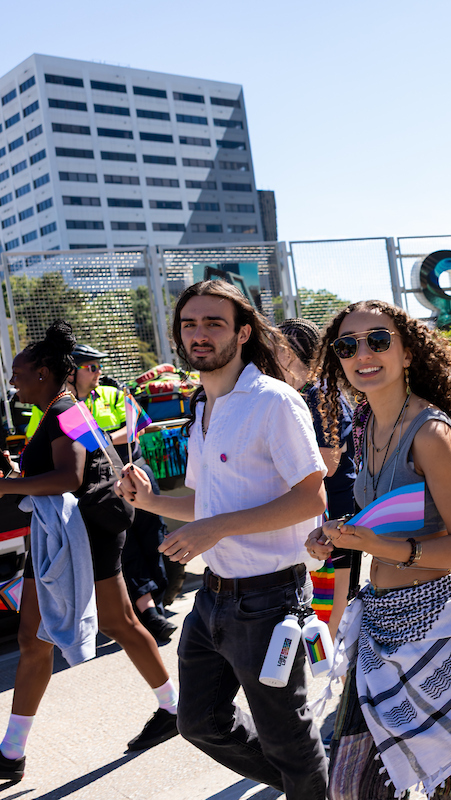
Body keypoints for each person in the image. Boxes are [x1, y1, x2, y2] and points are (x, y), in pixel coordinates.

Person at [116, 281, 329, 799]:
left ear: (243, 332)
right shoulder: (203, 409)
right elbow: (203, 504)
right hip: (212, 599)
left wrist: (216, 528)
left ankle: (316, 785)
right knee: (199, 723)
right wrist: (148, 501)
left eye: (214, 323)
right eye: (190, 324)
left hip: (270, 600)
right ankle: (321, 786)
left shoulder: (273, 402)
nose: (200, 334)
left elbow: (312, 500)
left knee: (289, 740)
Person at [306, 300, 451, 799]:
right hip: (381, 622)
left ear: (407, 352)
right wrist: (338, 534)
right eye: (348, 345)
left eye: (378, 340)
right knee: (352, 785)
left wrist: (377, 545)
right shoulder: (366, 423)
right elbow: (381, 517)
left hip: (437, 625)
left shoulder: (430, 433)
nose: (362, 353)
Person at [0, 322, 179, 783]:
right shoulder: (68, 409)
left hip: (82, 535)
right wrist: (20, 469)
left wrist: (8, 484)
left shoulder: (62, 411)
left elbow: (70, 477)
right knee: (45, 635)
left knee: (98, 626)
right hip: (82, 532)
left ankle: (12, 752)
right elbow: (83, 463)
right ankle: (11, 750)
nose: (13, 383)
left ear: (43, 372)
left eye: (18, 374)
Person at [25, 344, 177, 642]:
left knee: (152, 536)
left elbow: (140, 425)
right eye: (91, 367)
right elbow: (35, 441)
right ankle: (149, 612)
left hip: (135, 471)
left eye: (99, 367)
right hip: (103, 487)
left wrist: (100, 438)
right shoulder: (57, 406)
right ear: (73, 371)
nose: (98, 372)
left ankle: (155, 603)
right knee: (128, 547)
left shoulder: (110, 393)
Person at [277, 317, 357, 636]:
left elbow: (329, 464)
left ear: (294, 353)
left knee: (333, 617)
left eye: (277, 349)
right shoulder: (292, 393)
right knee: (317, 612)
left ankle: (346, 680)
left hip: (336, 515)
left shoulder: (321, 394)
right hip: (314, 515)